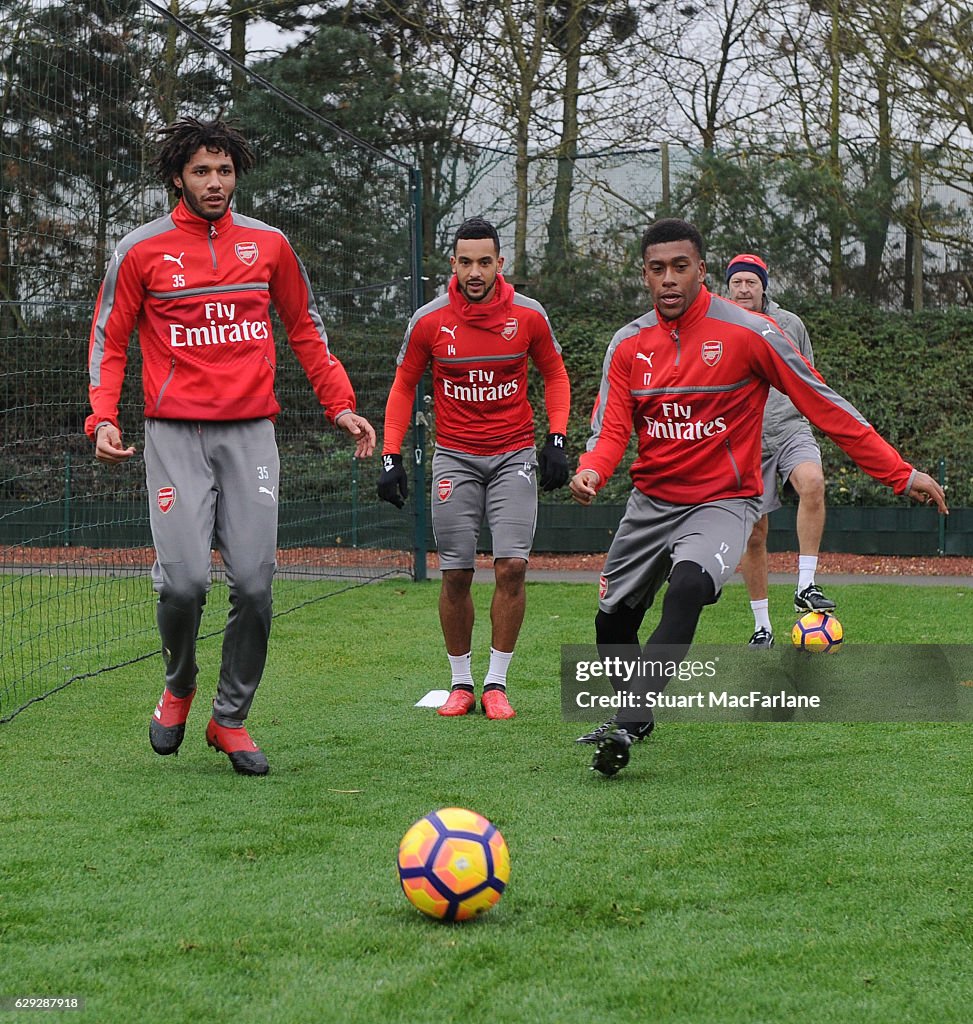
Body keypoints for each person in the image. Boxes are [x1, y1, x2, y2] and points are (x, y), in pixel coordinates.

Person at [570, 218, 947, 777]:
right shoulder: (628, 343)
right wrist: (593, 471)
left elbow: (822, 402)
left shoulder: (751, 332)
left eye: (680, 267)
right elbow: (610, 428)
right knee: (611, 625)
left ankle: (627, 720)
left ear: (702, 269)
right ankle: (637, 709)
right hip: (650, 503)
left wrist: (898, 472)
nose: (669, 279)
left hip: (725, 499)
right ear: (645, 275)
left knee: (691, 586)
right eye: (657, 269)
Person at [85, 117, 376, 775]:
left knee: (255, 581)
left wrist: (342, 404)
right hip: (173, 433)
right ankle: (179, 686)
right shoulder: (140, 250)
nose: (215, 183)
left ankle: (231, 719)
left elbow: (306, 328)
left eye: (224, 171)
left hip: (250, 434)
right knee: (183, 583)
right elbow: (109, 338)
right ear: (176, 178)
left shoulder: (269, 245)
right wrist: (102, 417)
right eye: (201, 172)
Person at [377, 217, 571, 719]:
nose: (475, 271)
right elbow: (403, 387)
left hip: (512, 456)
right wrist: (391, 455)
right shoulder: (430, 320)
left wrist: (555, 439)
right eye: (466, 262)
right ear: (454, 264)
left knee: (512, 566)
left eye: (485, 261)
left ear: (500, 263)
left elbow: (554, 373)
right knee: (456, 573)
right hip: (455, 458)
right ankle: (461, 683)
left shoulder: (528, 316)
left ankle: (496, 683)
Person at [725, 253, 833, 650]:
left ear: (763, 286)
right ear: (728, 286)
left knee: (813, 482)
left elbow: (807, 379)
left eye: (751, 282)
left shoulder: (790, 325)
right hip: (742, 438)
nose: (744, 289)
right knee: (755, 534)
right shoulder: (716, 324)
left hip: (789, 427)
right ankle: (762, 627)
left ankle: (806, 585)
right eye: (737, 282)